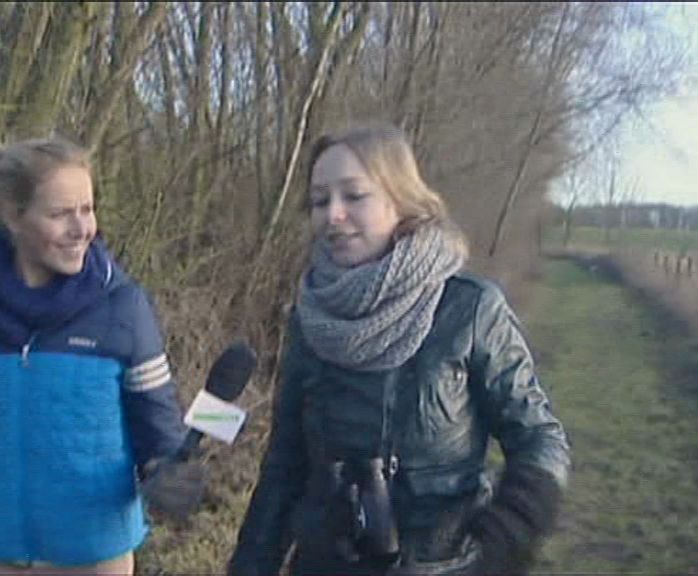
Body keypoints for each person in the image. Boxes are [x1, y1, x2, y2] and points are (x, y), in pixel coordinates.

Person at [227, 125, 571, 576]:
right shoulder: (310, 317)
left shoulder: (469, 309)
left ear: (401, 199)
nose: (333, 215)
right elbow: (285, 466)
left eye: (354, 196)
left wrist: (502, 542)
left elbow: (540, 439)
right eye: (319, 201)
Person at [0, 131, 206, 575]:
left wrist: (168, 473)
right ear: (14, 216)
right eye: (60, 214)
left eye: (87, 209)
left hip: (95, 558)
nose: (82, 229)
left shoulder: (124, 308)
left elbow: (158, 431)